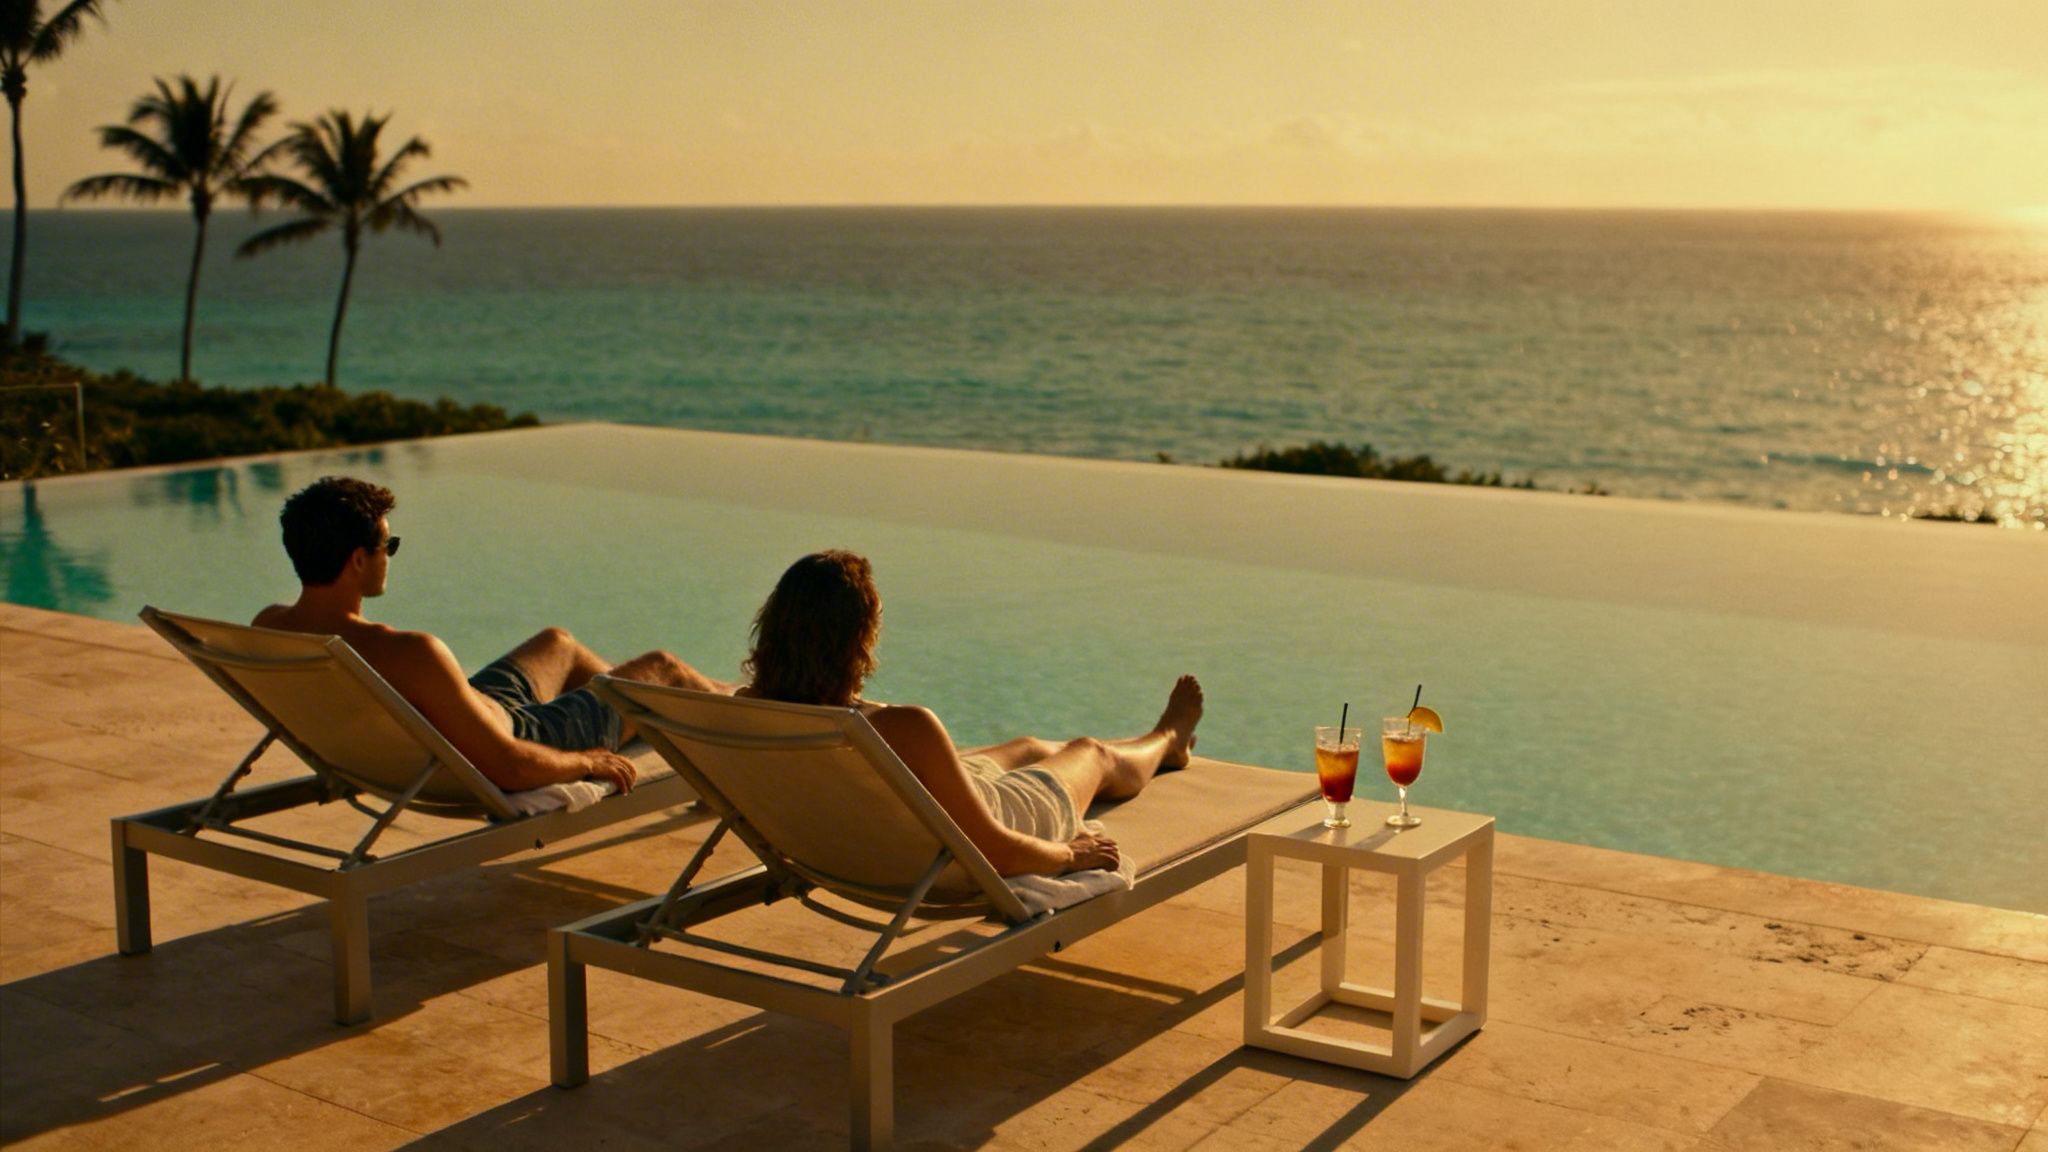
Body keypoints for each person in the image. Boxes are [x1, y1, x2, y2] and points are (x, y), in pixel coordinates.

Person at [254, 476, 733, 795]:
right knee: (663, 668)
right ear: (358, 560)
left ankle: (655, 710)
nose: (390, 556)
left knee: (558, 643)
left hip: (478, 712)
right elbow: (510, 767)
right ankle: (737, 710)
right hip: (526, 736)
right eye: (388, 545)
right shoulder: (410, 652)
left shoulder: (270, 628)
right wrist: (587, 763)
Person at [741, 549, 1203, 878]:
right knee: (1092, 753)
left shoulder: (752, 711)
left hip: (856, 844)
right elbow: (995, 851)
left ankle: (1137, 746)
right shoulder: (904, 727)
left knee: (1028, 748)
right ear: (858, 639)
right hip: (1001, 823)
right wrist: (1071, 854)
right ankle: (1167, 739)